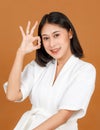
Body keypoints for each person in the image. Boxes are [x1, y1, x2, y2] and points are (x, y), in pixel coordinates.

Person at [3, 11, 96, 130]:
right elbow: (12, 95)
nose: (52, 44)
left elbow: (63, 116)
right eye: (46, 38)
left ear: (70, 33)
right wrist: (20, 53)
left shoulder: (85, 70)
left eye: (56, 35)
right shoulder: (38, 66)